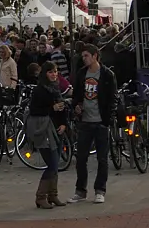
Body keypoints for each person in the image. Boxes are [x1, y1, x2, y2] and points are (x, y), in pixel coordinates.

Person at [68, 44, 118, 205]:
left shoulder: (107, 74)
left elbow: (113, 98)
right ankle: (80, 190)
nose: (84, 59)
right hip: (85, 121)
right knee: (81, 158)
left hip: (100, 121)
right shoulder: (82, 73)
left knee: (102, 158)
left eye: (86, 56)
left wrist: (108, 119)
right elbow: (76, 94)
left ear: (95, 55)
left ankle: (100, 190)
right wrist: (77, 105)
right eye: (82, 56)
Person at [25, 61, 68, 209]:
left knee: (55, 165)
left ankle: (53, 195)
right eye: (50, 72)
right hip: (44, 131)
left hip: (57, 130)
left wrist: (64, 123)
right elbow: (35, 110)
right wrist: (51, 108)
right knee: (52, 164)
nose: (54, 74)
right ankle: (41, 196)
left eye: (55, 71)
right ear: (45, 73)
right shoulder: (39, 90)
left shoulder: (55, 89)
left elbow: (62, 108)